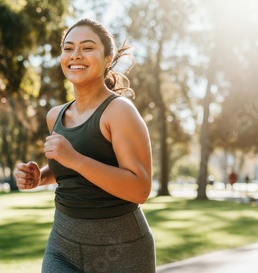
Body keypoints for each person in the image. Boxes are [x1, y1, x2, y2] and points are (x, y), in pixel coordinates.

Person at [14, 18, 155, 273]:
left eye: (87, 48)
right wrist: (40, 177)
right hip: (63, 245)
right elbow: (70, 171)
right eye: (68, 48)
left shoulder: (118, 111)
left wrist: (74, 158)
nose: (75, 55)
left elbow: (140, 189)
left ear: (108, 58)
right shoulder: (54, 115)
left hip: (121, 250)